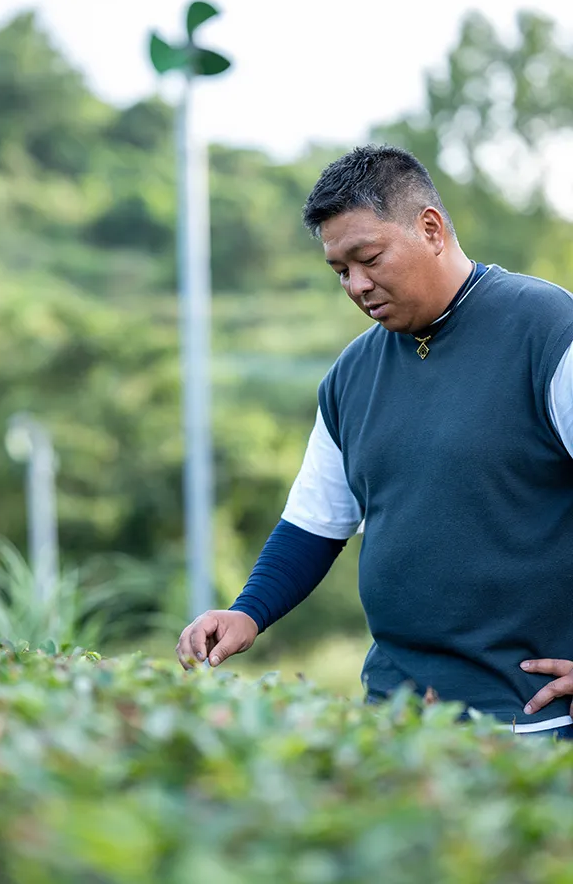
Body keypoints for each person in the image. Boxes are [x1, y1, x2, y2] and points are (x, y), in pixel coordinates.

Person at [176, 144, 573, 738]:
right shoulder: (350, 376)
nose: (357, 286)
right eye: (340, 271)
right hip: (392, 717)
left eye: (370, 258)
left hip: (530, 719)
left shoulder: (548, 331)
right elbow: (315, 523)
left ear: (431, 229)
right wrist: (246, 612)